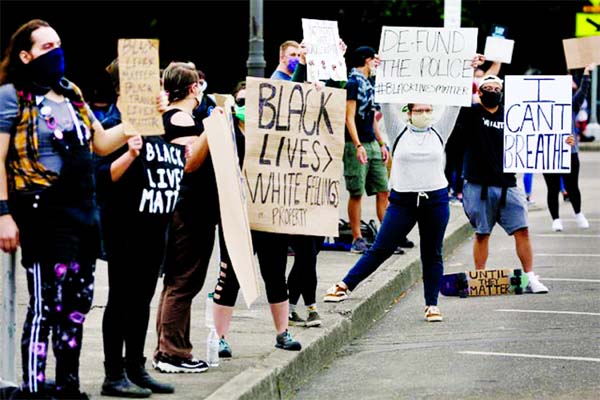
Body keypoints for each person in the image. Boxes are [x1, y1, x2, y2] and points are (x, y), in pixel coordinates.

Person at [0, 19, 164, 399]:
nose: (55, 52)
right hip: (42, 216)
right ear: (25, 56)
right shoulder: (12, 96)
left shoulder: (70, 93)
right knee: (46, 308)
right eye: (45, 47)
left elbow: (102, 144)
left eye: (58, 43)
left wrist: (140, 116)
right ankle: (35, 387)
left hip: (83, 216)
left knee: (77, 307)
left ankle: (68, 385)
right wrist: (4, 213)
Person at [95, 59, 177, 397]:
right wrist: (128, 154)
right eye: (150, 84)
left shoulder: (155, 124)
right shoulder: (112, 125)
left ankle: (136, 367)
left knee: (142, 299)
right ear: (125, 89)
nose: (157, 90)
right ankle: (113, 374)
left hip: (153, 227)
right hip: (124, 227)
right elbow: (100, 178)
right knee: (121, 299)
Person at [210, 81, 302, 355]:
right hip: (235, 216)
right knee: (230, 276)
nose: (246, 108)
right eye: (241, 102)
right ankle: (219, 337)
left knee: (275, 274)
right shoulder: (226, 133)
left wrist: (306, 66)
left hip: (268, 214)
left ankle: (282, 332)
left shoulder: (273, 135)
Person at [458, 74, 548, 293]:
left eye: (496, 88)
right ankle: (479, 278)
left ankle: (529, 276)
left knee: (523, 230)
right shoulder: (470, 114)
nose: (492, 91)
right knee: (482, 233)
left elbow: (539, 134)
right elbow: (455, 100)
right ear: (478, 93)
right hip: (478, 185)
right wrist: (469, 69)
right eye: (487, 88)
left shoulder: (513, 114)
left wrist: (565, 141)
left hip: (509, 184)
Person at [152, 61, 215, 373]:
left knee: (176, 282)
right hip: (189, 210)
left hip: (183, 208)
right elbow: (188, 163)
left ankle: (168, 348)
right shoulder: (179, 118)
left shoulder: (174, 116)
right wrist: (212, 128)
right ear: (194, 88)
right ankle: (173, 353)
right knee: (184, 282)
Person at [343, 46, 390, 254]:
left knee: (383, 189)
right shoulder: (353, 84)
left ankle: (387, 235)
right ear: (366, 60)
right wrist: (357, 145)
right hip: (356, 144)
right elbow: (349, 117)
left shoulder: (369, 85)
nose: (376, 63)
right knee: (356, 192)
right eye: (374, 60)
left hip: (371, 142)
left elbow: (372, 119)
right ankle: (357, 238)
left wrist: (381, 143)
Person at [543, 63, 595, 232]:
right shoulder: (541, 108)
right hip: (548, 154)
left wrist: (586, 73)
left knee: (572, 186)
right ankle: (556, 219)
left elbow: (582, 92)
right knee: (552, 188)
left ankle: (578, 213)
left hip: (569, 153)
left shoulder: (570, 104)